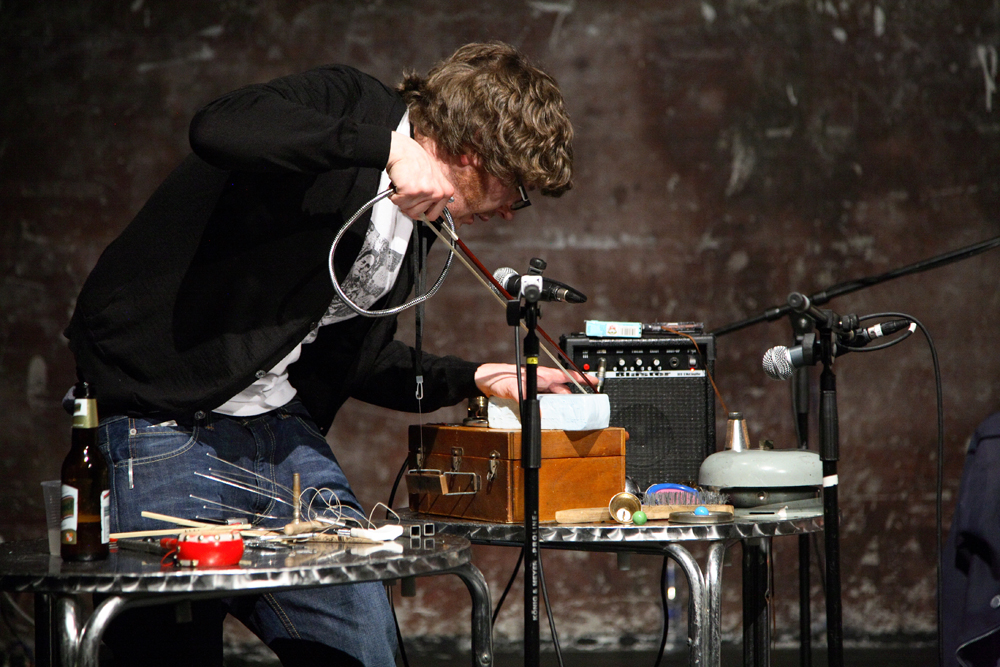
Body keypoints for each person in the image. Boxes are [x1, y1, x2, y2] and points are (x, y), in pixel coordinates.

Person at [63, 42, 578, 666]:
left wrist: (471, 378)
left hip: (280, 439)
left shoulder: (416, 227)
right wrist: (386, 149)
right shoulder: (353, 104)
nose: (507, 213)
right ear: (475, 152)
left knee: (366, 649)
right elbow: (219, 125)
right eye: (514, 190)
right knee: (168, 651)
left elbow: (353, 360)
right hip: (166, 424)